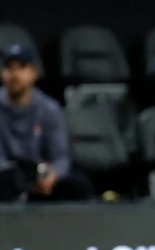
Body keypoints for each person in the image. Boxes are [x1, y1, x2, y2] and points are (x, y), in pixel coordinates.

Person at [0, 45, 94, 203]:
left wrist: (52, 175)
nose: (14, 74)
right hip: (7, 176)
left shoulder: (50, 109)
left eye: (21, 67)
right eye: (9, 68)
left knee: (78, 185)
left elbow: (60, 156)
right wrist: (21, 180)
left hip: (41, 175)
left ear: (34, 72)